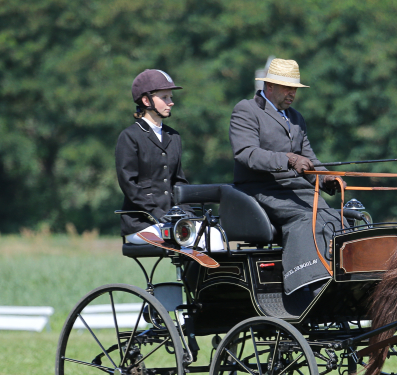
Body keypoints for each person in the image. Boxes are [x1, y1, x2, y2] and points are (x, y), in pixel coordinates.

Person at [229, 58, 345, 297]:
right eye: (287, 88)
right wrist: (289, 159)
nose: (292, 93)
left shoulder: (296, 118)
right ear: (269, 86)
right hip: (259, 189)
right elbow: (246, 153)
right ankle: (304, 285)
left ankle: (337, 279)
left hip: (295, 190)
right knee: (305, 219)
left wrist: (326, 179)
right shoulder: (247, 110)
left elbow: (310, 159)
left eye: (295, 89)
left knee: (335, 218)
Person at [116, 69, 223, 250]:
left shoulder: (174, 136)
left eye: (170, 97)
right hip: (142, 224)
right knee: (188, 239)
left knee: (214, 235)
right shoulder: (130, 136)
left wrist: (187, 212)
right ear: (146, 100)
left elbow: (178, 181)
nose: (171, 102)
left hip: (173, 221)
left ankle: (213, 279)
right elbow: (129, 185)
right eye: (164, 97)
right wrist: (158, 213)